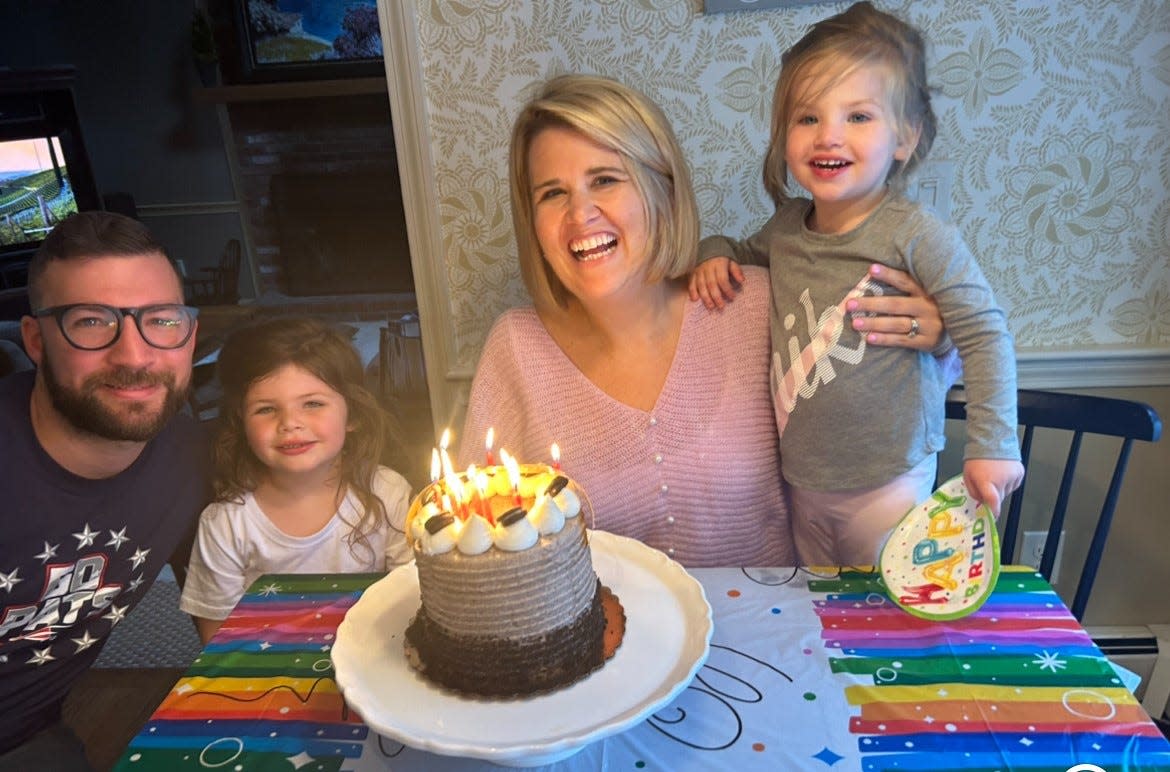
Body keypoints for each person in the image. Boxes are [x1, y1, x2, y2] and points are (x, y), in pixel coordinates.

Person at [457, 73, 950, 568]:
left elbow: (882, 406)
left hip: (777, 631)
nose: (580, 213)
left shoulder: (755, 303)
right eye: (552, 193)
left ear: (662, 189)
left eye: (605, 179)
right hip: (608, 642)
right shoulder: (516, 348)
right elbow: (476, 546)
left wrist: (937, 337)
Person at [689, 2, 1023, 566]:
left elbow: (984, 332)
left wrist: (994, 445)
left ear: (905, 138)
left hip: (888, 478)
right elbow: (738, 253)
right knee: (819, 613)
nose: (828, 136)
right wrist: (712, 254)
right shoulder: (785, 229)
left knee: (883, 614)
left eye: (858, 117)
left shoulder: (917, 234)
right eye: (807, 117)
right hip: (801, 479)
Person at [0, 211, 209, 770]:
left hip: (29, 737)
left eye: (161, 321)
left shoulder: (195, 458)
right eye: (91, 322)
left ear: (191, 335)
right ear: (36, 340)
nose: (135, 356)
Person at [180, 316, 411, 644]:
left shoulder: (388, 493)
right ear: (241, 423)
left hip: (376, 660)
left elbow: (413, 596)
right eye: (266, 410)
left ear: (354, 416)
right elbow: (218, 641)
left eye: (313, 404)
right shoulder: (227, 523)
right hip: (269, 676)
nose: (290, 423)